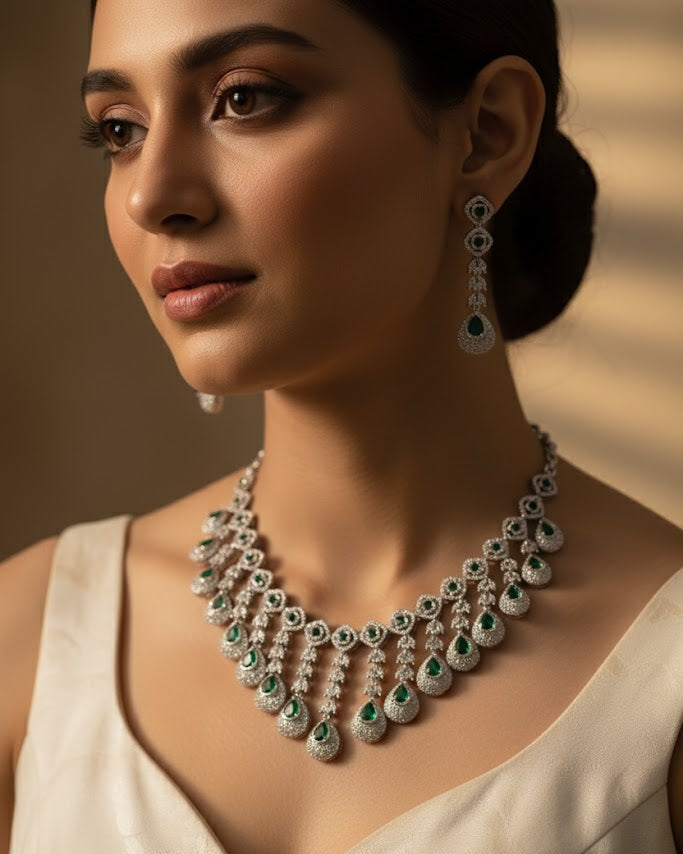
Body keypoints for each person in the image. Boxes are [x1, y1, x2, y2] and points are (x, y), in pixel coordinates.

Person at [2, 0, 681, 852]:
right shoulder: (28, 647)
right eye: (120, 129)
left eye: (244, 98)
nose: (152, 195)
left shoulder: (663, 679)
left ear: (487, 133)